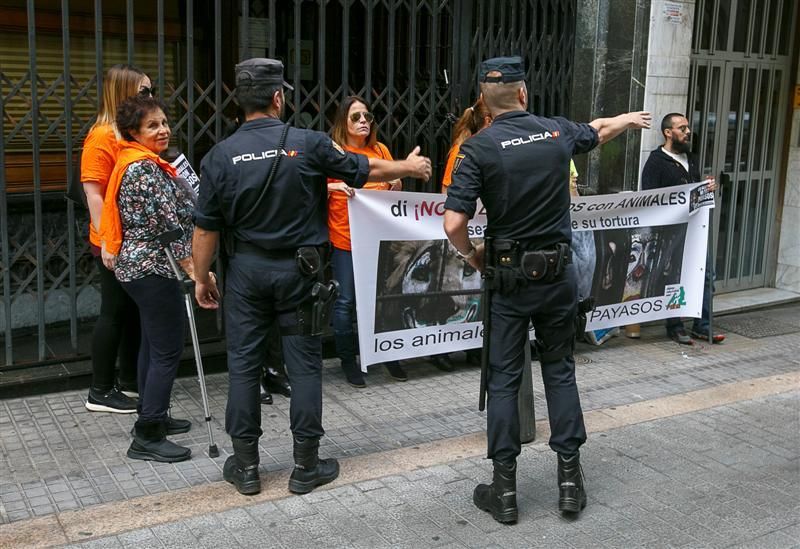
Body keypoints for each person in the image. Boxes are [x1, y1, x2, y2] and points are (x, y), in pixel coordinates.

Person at [192, 58, 431, 496]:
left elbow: (205, 228)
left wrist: (202, 278)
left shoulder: (219, 156)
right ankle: (306, 466)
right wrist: (409, 169)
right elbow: (365, 170)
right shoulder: (308, 143)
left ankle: (245, 467)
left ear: (239, 103)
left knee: (243, 366)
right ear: (278, 98)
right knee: (303, 366)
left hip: (245, 274)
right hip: (299, 273)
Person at [443, 56, 651, 523]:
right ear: (523, 93)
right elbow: (598, 129)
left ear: (482, 100)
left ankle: (505, 492)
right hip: (557, 279)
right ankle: (571, 485)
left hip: (508, 281)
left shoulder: (477, 149)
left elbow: (453, 222)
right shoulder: (555, 133)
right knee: (560, 372)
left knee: (502, 379)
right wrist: (628, 120)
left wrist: (472, 254)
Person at [98, 95, 217, 463]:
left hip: (142, 268)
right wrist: (196, 270)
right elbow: (168, 229)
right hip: (153, 266)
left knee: (153, 344)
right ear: (134, 132)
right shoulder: (143, 169)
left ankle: (153, 415)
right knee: (166, 348)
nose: (163, 129)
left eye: (164, 122)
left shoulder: (143, 163)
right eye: (153, 125)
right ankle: (148, 434)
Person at [81, 64, 154, 414]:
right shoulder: (102, 136)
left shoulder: (126, 134)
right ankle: (100, 389)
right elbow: (93, 193)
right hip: (113, 238)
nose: (149, 99)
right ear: (123, 92)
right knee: (113, 311)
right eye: (143, 92)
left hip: (129, 236)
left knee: (130, 311)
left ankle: (128, 380)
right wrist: (109, 240)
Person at [327, 96, 408, 387]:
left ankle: (386, 354)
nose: (363, 121)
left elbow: (393, 189)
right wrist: (336, 185)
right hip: (346, 240)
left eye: (367, 116)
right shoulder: (334, 153)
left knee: (382, 299)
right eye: (355, 117)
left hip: (378, 240)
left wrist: (396, 183)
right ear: (343, 123)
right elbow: (314, 187)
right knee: (346, 300)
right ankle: (349, 359)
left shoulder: (381, 150)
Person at [641, 112, 724, 345]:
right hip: (671, 232)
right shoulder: (656, 162)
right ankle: (674, 326)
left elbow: (693, 192)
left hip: (696, 229)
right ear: (668, 133)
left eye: (688, 127)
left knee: (706, 275)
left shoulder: (691, 158)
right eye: (682, 128)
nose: (688, 132)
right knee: (673, 277)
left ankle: (703, 325)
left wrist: (706, 189)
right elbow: (649, 197)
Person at [431, 99, 493, 372]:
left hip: (481, 230)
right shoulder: (462, 151)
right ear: (486, 121)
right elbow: (448, 191)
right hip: (464, 233)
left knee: (475, 293)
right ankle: (440, 350)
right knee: (451, 291)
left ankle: (473, 347)